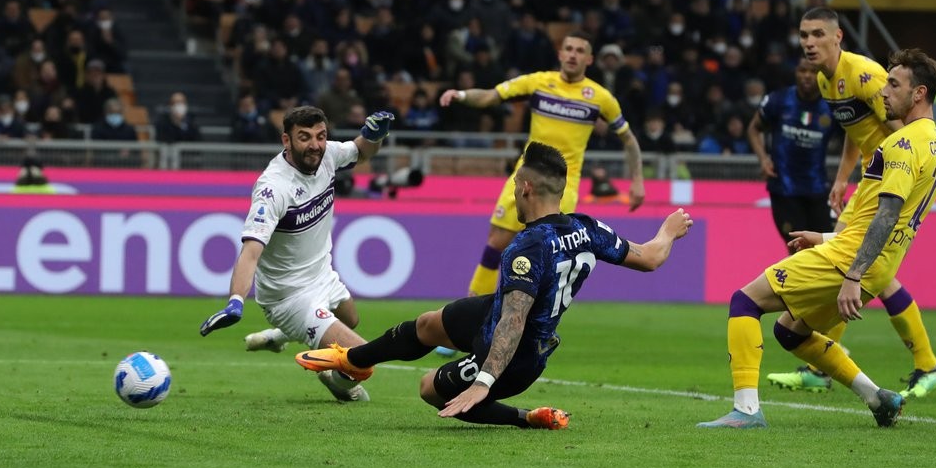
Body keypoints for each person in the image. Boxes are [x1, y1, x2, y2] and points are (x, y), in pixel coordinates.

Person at [294, 141, 693, 428]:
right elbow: (652, 257)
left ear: (526, 189)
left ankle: (529, 418)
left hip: (519, 353)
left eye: (515, 187)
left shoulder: (526, 247)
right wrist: (669, 231)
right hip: (495, 313)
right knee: (429, 324)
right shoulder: (588, 228)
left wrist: (484, 380)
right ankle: (356, 362)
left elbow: (514, 321)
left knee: (430, 390)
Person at [700, 49, 936, 429]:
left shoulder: (902, 145)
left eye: (894, 85)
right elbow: (885, 221)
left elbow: (887, 214)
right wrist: (826, 236)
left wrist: (851, 274)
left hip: (850, 262)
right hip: (875, 264)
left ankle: (746, 410)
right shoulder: (934, 146)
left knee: (744, 302)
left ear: (919, 93)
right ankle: (878, 398)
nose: (884, 92)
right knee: (789, 331)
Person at [764, 9, 936, 398]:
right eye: (803, 35)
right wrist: (842, 177)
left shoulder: (865, 74)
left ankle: (923, 364)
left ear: (838, 37)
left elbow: (903, 130)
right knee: (864, 268)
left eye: (816, 34)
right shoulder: (829, 81)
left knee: (861, 267)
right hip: (868, 178)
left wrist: (895, 181)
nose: (808, 43)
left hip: (885, 180)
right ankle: (920, 363)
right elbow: (855, 129)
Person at [199, 106, 395, 403]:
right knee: (364, 357)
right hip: (288, 297)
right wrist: (235, 302)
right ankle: (335, 380)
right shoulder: (273, 189)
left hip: (321, 275)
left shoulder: (327, 154)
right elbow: (250, 252)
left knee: (351, 318)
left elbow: (362, 151)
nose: (315, 145)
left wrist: (374, 135)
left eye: (320, 136)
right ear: (286, 141)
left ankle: (278, 337)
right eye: (304, 137)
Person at [439, 30, 646, 298]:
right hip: (524, 179)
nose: (573, 54)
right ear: (560, 54)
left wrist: (637, 180)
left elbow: (628, 139)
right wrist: (463, 95)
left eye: (579, 50)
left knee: (547, 255)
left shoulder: (599, 97)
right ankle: (469, 315)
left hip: (562, 187)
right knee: (496, 244)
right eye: (568, 49)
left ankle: (537, 327)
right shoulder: (538, 82)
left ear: (589, 59)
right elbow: (493, 95)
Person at [747, 61, 836, 242]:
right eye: (802, 70)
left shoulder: (832, 106)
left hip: (818, 189)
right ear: (796, 72)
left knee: (827, 250)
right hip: (783, 190)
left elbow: (853, 138)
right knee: (796, 248)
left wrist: (842, 176)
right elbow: (754, 129)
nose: (807, 76)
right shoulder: (778, 100)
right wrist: (763, 159)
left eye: (813, 71)